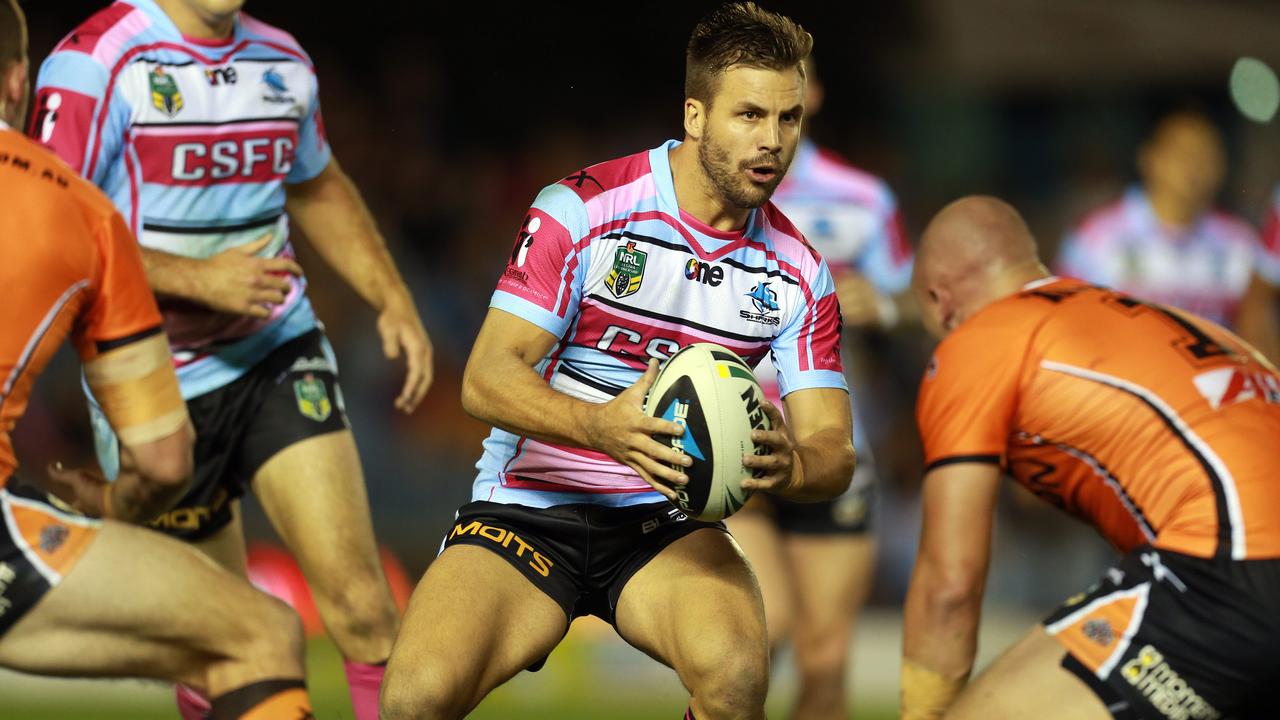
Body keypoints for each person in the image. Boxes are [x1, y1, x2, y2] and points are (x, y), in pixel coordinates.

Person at [380, 4, 855, 719]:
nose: (772, 143)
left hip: (665, 527)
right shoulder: (583, 210)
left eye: (788, 120)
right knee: (415, 700)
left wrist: (790, 466)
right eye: (749, 116)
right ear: (695, 115)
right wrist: (602, 427)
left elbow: (834, 451)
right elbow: (485, 378)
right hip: (528, 513)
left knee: (736, 679)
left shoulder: (800, 274)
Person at [30, 1, 434, 718]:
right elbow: (50, 224)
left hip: (277, 351)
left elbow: (317, 184)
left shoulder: (282, 62)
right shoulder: (92, 62)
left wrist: (389, 295)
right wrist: (199, 278)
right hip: (152, 381)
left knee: (366, 609)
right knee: (218, 637)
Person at [0, 3, 312, 717]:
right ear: (18, 83)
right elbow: (164, 460)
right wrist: (112, 503)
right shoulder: (79, 212)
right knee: (261, 632)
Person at [901, 195, 1280, 719]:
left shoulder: (979, 341)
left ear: (941, 303)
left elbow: (950, 582)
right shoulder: (1135, 318)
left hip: (1227, 568)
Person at [725, 57, 911, 720]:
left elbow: (916, 297)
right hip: (730, 439)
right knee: (757, 635)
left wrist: (886, 306)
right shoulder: (707, 188)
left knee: (827, 659)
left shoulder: (862, 199)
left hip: (831, 443)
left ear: (813, 94)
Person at [1056, 108, 1279, 355]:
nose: (1194, 167)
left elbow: (1256, 327)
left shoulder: (1239, 242)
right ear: (1149, 158)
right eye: (1183, 154)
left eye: (1206, 155)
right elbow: (1067, 325)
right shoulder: (1096, 237)